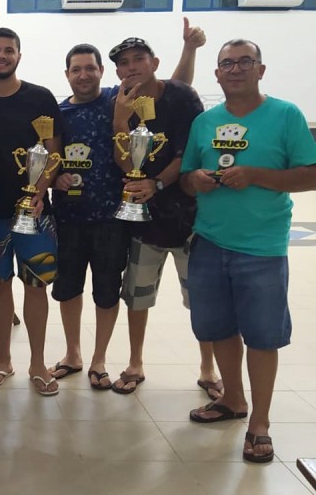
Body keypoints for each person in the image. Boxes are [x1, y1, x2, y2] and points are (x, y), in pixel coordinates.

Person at [50, 19, 208, 392]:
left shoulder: (120, 97)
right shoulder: (60, 112)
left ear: (104, 72)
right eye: (77, 69)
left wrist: (189, 50)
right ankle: (72, 353)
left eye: (91, 68)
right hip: (70, 216)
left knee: (106, 291)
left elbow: (173, 88)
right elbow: (53, 156)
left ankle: (99, 359)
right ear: (67, 74)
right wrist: (54, 177)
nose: (84, 74)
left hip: (114, 217)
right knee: (68, 289)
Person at [181, 39, 316, 463]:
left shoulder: (286, 115)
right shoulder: (205, 122)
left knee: (261, 336)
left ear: (260, 70)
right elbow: (185, 176)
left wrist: (256, 175)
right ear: (217, 74)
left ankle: (260, 421)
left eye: (244, 62)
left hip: (261, 247)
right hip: (209, 240)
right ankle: (232, 399)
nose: (235, 69)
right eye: (227, 64)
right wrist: (196, 179)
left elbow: (311, 174)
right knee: (217, 328)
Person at [0, 27, 64, 396]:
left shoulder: (40, 98)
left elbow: (53, 153)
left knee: (36, 286)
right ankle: (3, 359)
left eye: (9, 50)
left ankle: (37, 364)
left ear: (19, 56)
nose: (1, 56)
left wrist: (39, 192)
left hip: (34, 212)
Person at [109, 36, 210, 395]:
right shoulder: (118, 101)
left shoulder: (182, 98)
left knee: (202, 298)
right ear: (118, 70)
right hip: (142, 220)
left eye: (139, 58)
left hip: (189, 218)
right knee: (137, 295)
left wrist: (158, 183)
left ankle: (208, 368)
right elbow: (124, 162)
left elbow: (191, 152)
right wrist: (121, 122)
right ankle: (135, 361)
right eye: (125, 62)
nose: (132, 66)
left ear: (154, 61)